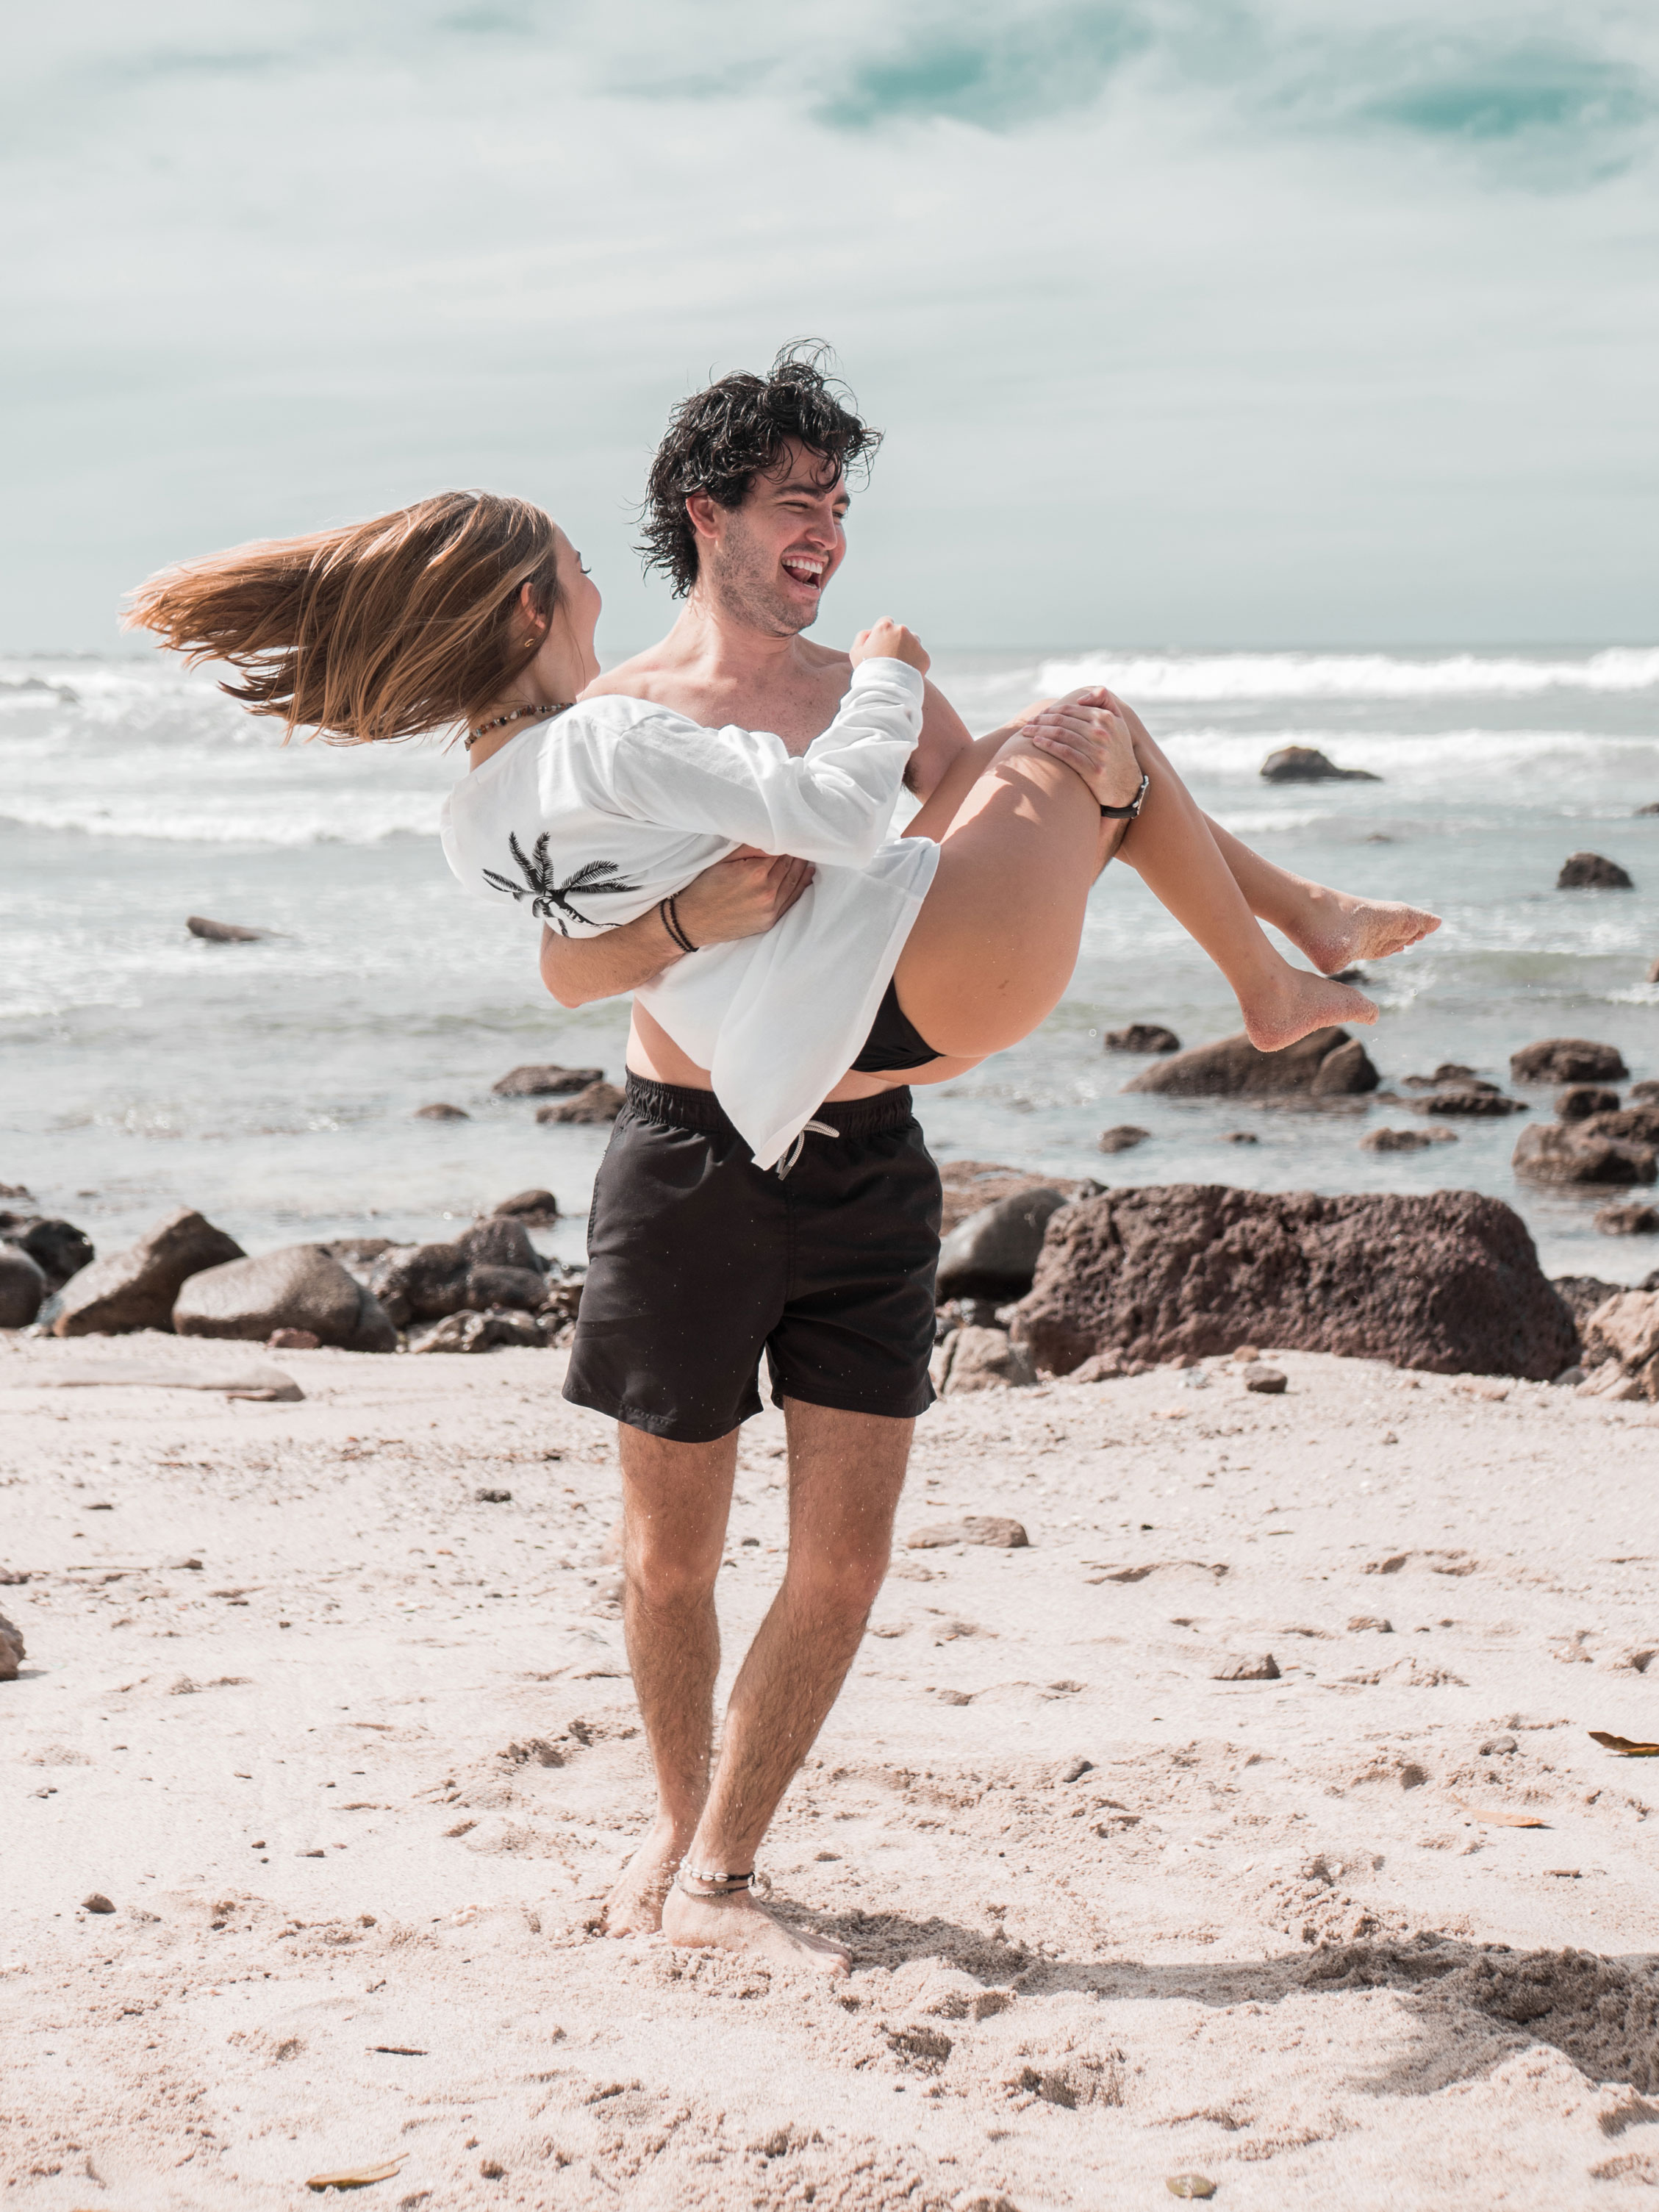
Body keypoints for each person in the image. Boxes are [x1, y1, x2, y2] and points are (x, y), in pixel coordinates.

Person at [126, 357, 1438, 1976]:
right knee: (666, 1557)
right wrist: (693, 908)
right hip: (690, 1158)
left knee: (843, 1561)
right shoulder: (618, 724)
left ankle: (723, 1864)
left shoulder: (734, 722)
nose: (825, 528)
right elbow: (569, 963)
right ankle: (680, 1831)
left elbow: (1003, 818)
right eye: (795, 499)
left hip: (866, 1136)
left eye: (838, 502)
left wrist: (925, 725)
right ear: (708, 517)